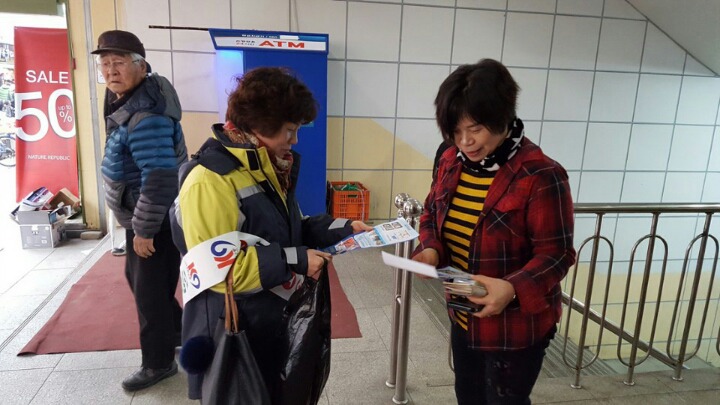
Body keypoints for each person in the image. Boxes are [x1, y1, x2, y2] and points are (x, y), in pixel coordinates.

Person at [171, 66, 372, 403]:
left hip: (268, 320)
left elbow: (289, 229)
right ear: (258, 126)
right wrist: (295, 260)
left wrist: (344, 228)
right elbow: (219, 271)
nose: (294, 140)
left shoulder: (265, 167)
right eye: (289, 131)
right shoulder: (209, 181)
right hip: (232, 328)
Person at [411, 59, 576, 404]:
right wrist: (431, 249)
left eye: (475, 129)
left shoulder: (540, 175)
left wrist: (512, 288)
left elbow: (556, 254)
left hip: (514, 330)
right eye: (455, 131)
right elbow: (430, 212)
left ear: (502, 117)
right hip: (463, 313)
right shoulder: (451, 160)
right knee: (468, 396)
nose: (465, 142)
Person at [91, 30, 187, 391]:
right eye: (105, 64)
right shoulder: (126, 101)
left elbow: (160, 177)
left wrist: (144, 229)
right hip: (142, 215)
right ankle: (177, 331)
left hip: (153, 219)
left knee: (150, 294)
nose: (110, 71)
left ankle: (159, 363)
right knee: (143, 283)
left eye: (119, 62)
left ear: (141, 67)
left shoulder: (147, 115)